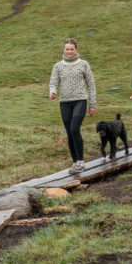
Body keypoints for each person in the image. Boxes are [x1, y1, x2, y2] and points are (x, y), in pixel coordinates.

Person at [49, 38, 96, 174]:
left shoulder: (84, 64)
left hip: (80, 100)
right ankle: (75, 162)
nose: (69, 52)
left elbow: (91, 85)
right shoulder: (58, 66)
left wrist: (92, 103)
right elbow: (53, 82)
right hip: (64, 102)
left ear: (76, 50)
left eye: (72, 49)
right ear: (63, 50)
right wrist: (52, 91)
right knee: (69, 132)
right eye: (67, 49)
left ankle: (81, 162)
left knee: (75, 128)